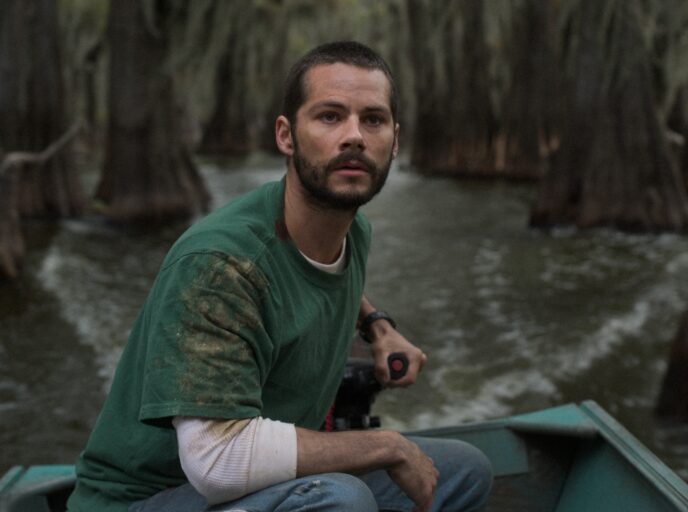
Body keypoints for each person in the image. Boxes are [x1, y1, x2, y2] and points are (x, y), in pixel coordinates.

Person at [67, 41, 492, 512]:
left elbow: (317, 277)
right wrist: (385, 446)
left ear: (395, 140)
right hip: (147, 499)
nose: (353, 136)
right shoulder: (218, 265)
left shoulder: (352, 232)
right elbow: (218, 462)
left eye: (372, 120)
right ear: (286, 136)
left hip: (252, 488)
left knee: (465, 470)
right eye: (330, 116)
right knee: (340, 499)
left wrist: (378, 326)